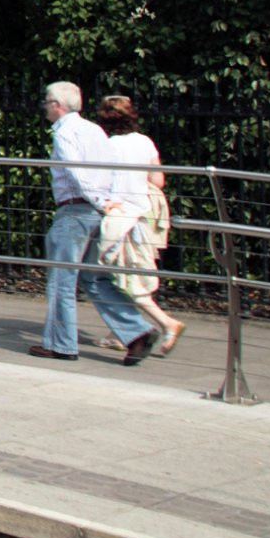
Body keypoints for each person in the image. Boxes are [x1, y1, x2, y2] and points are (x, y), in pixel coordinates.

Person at [35, 80, 156, 364]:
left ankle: (61, 345)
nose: (45, 108)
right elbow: (111, 169)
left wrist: (99, 200)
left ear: (57, 105)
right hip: (98, 213)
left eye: (47, 103)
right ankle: (137, 333)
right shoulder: (95, 130)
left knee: (61, 281)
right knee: (94, 278)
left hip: (75, 211)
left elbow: (77, 172)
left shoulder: (64, 133)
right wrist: (107, 203)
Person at [94, 93, 183, 356]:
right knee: (127, 274)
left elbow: (103, 184)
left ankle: (167, 323)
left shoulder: (108, 146)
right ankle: (121, 333)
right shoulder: (145, 142)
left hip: (123, 217)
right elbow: (158, 181)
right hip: (146, 214)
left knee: (122, 277)